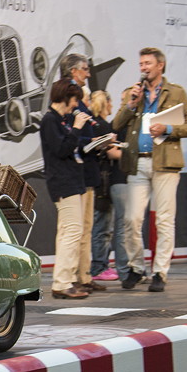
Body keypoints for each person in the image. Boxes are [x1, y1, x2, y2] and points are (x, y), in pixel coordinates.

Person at [112, 47, 187, 292]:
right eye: (141, 64)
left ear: (160, 65)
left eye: (148, 63)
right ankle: (136, 267)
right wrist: (131, 104)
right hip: (138, 162)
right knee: (132, 218)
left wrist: (168, 130)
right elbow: (116, 124)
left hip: (165, 163)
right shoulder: (133, 93)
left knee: (164, 220)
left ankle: (160, 271)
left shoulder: (176, 92)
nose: (143, 68)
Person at [40, 78, 93, 299]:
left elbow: (68, 146)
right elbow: (62, 150)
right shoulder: (50, 120)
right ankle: (62, 282)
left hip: (71, 180)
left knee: (67, 232)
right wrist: (77, 129)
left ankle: (65, 280)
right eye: (74, 100)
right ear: (66, 97)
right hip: (63, 182)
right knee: (72, 232)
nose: (75, 105)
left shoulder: (61, 120)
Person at [61, 54, 105, 294]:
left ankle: (84, 275)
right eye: (85, 69)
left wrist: (98, 140)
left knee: (86, 226)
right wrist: (93, 140)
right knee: (77, 228)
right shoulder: (71, 98)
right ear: (73, 71)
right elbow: (72, 134)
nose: (89, 74)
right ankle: (72, 278)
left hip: (87, 169)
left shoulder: (79, 98)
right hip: (78, 170)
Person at [89, 90, 129, 281]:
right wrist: (134, 156)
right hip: (103, 182)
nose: (115, 107)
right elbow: (113, 154)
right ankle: (99, 266)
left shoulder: (97, 124)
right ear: (106, 103)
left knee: (103, 225)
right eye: (114, 102)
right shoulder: (102, 125)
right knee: (103, 225)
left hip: (101, 180)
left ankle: (100, 264)